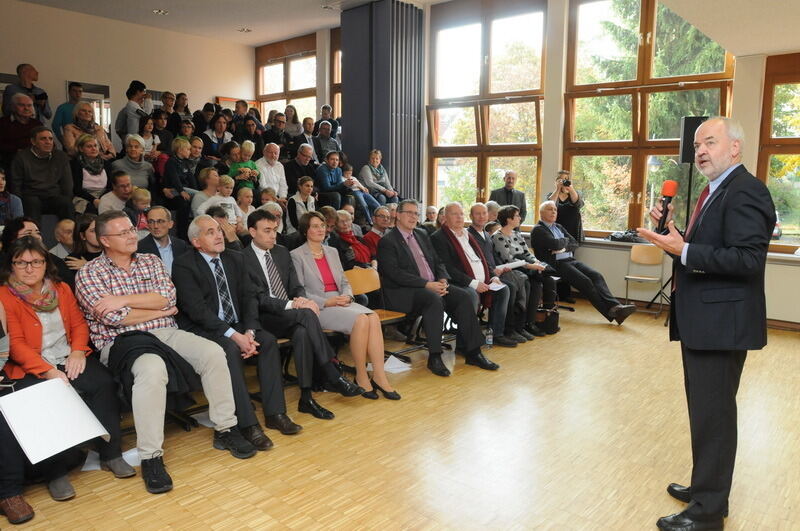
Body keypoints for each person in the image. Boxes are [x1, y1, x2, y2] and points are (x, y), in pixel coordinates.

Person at [636, 117, 776, 531]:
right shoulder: (714, 192)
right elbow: (697, 251)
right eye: (697, 144)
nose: (699, 151)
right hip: (705, 321)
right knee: (706, 413)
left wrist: (685, 248)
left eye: (709, 142)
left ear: (735, 147)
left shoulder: (747, 190)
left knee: (714, 417)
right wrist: (672, 235)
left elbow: (748, 260)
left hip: (721, 324)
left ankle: (708, 512)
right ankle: (707, 487)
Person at [75, 210, 256, 494]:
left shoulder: (151, 260)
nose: (132, 235)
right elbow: (113, 318)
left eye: (132, 230)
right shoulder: (89, 273)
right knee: (151, 369)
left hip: (166, 332)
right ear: (105, 240)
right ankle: (151, 456)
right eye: (123, 233)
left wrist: (122, 300)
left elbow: (169, 298)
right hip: (123, 341)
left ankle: (226, 429)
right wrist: (154, 306)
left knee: (213, 352)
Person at [0, 237, 135, 499]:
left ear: (45, 262)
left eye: (36, 261)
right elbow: (14, 344)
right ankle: (55, 472)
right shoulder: (5, 295)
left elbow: (78, 325)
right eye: (22, 262)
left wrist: (76, 352)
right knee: (47, 396)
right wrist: (48, 370)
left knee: (102, 383)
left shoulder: (60, 289)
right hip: (31, 365)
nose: (30, 268)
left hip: (67, 354)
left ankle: (111, 453)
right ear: (11, 265)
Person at [172, 215, 298, 450]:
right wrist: (235, 336)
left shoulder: (235, 258)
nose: (219, 235)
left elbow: (249, 297)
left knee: (267, 341)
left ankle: (275, 413)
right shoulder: (184, 264)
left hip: (240, 325)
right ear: (196, 241)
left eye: (219, 230)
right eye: (210, 232)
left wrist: (249, 331)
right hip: (205, 329)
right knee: (229, 349)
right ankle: (247, 423)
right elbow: (197, 311)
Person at [377, 200, 498, 377]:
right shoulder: (388, 241)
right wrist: (427, 284)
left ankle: (473, 352)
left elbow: (437, 261)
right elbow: (394, 274)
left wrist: (442, 279)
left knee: (463, 296)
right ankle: (435, 356)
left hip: (432, 285)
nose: (413, 217)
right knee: (432, 299)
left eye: (416, 214)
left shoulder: (421, 234)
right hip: (402, 292)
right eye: (409, 213)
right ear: (397, 215)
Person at [292, 212, 399, 401]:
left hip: (342, 300)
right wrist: (327, 301)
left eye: (322, 225)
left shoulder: (332, 252)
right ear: (305, 230)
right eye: (314, 226)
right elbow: (299, 291)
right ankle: (361, 375)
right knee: (360, 320)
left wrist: (348, 296)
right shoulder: (296, 255)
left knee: (372, 317)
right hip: (320, 306)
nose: (320, 229)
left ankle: (380, 376)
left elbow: (344, 280)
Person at [531, 201, 636, 325]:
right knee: (585, 282)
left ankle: (616, 307)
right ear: (541, 213)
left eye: (555, 209)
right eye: (550, 209)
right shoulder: (538, 230)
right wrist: (563, 242)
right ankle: (613, 312)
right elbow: (555, 244)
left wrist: (561, 247)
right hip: (555, 264)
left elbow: (574, 243)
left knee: (596, 275)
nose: (554, 212)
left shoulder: (558, 227)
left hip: (569, 260)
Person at [431, 203, 516, 348]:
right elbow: (447, 268)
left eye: (461, 214)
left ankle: (496, 334)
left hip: (480, 280)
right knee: (470, 294)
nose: (459, 217)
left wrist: (492, 276)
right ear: (445, 218)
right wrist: (473, 283)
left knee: (504, 289)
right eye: (454, 214)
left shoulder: (467, 234)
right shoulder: (439, 237)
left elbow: (482, 259)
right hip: (459, 282)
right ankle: (467, 343)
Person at [468, 203, 532, 343]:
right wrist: (494, 273)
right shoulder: (468, 235)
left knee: (522, 281)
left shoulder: (485, 234)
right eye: (477, 214)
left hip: (494, 271)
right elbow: (476, 260)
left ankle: (516, 327)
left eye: (484, 213)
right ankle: (500, 332)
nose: (481, 216)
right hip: (481, 276)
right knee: (509, 287)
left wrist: (502, 267)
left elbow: (492, 256)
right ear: (471, 216)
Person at [492, 205, 557, 335]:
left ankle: (530, 322)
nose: (520, 218)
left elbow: (527, 253)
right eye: (517, 216)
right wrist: (530, 266)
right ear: (509, 219)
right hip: (510, 269)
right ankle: (519, 325)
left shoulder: (517, 234)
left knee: (540, 283)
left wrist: (536, 261)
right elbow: (508, 260)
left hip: (525, 267)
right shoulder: (498, 236)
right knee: (530, 282)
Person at [10, 126, 73, 222]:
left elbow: (67, 184)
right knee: (32, 203)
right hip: (31, 196)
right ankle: (33, 236)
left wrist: (67, 198)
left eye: (50, 139)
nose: (48, 142)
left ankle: (71, 235)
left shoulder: (60, 156)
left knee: (66, 203)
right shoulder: (21, 158)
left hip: (53, 196)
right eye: (43, 139)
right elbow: (15, 184)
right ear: (33, 141)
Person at [137, 206, 190, 274]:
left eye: (160, 221)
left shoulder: (181, 245)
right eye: (151, 221)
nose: (155, 226)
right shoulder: (140, 249)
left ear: (170, 224)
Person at [0, 94, 43, 170]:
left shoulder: (37, 124)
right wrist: (16, 150)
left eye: (29, 105)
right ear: (13, 107)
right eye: (21, 105)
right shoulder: (3, 123)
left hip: (35, 161)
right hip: (11, 162)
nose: (26, 108)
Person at [70, 134, 109, 214]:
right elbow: (77, 189)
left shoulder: (106, 164)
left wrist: (102, 199)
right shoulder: (75, 164)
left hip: (104, 195)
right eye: (89, 146)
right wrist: (94, 200)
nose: (93, 149)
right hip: (84, 196)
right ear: (81, 148)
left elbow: (110, 186)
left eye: (95, 146)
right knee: (90, 210)